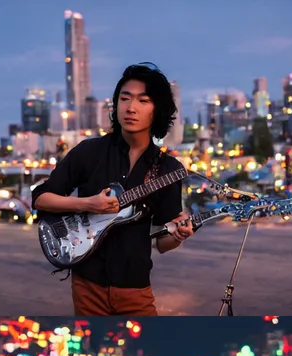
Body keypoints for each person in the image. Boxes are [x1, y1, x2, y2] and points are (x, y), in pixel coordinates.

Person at [31, 62, 195, 316]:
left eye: (143, 101)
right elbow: (41, 198)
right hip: (88, 286)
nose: (131, 108)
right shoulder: (89, 152)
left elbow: (162, 243)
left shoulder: (168, 169)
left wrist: (179, 234)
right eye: (124, 98)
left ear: (158, 110)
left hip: (135, 290)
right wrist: (87, 204)